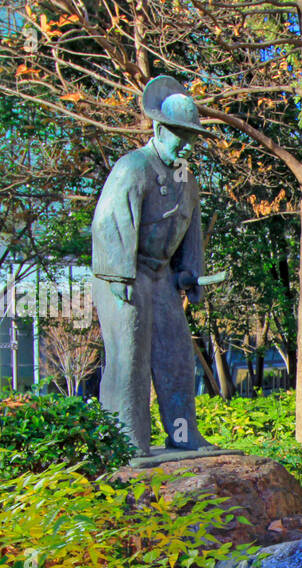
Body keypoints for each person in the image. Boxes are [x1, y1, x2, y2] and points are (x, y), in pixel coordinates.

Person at [91, 75, 217, 457]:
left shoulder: (185, 179)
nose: (184, 142)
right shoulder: (133, 166)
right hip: (124, 273)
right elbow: (108, 222)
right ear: (160, 129)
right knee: (129, 356)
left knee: (176, 355)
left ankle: (183, 435)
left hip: (161, 275)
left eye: (189, 134)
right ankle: (127, 441)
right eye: (178, 133)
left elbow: (190, 228)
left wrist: (189, 271)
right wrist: (119, 273)